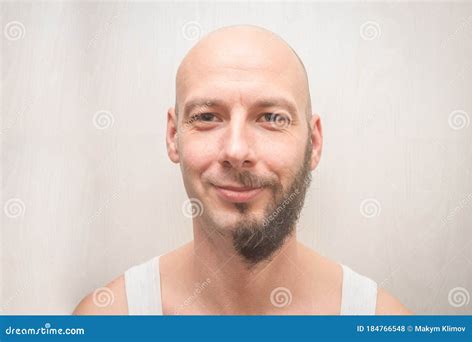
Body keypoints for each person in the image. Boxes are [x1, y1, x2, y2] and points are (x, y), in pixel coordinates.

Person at [74, 25, 412, 315]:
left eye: (271, 118)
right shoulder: (107, 319)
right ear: (174, 136)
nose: (236, 151)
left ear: (315, 142)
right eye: (207, 117)